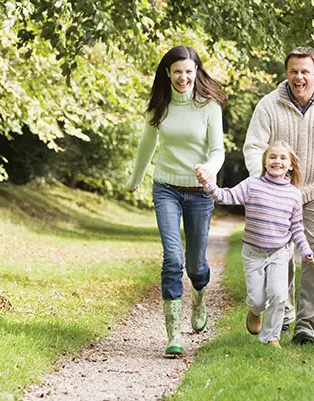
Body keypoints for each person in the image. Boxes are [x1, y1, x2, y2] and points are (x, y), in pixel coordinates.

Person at [243, 47, 314, 345]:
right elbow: (253, 147)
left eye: (305, 71)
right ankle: (283, 315)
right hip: (279, 195)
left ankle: (306, 324)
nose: (299, 77)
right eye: (294, 71)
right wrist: (265, 183)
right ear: (287, 74)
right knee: (282, 255)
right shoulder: (269, 105)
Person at [125, 45, 227, 357]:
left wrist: (208, 170)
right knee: (172, 258)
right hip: (166, 187)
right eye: (177, 71)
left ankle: (199, 296)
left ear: (197, 73)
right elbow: (147, 144)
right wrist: (135, 178)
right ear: (168, 73)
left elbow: (217, 150)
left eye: (188, 71)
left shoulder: (209, 106)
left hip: (199, 193)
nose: (183, 77)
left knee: (196, 266)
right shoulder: (159, 105)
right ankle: (173, 334)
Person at [195, 141, 314, 348]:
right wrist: (208, 183)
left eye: (282, 158)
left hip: (279, 252)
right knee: (258, 299)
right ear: (265, 161)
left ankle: (271, 337)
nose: (277, 161)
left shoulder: (294, 195)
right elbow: (225, 196)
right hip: (253, 252)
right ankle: (255, 310)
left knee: (279, 295)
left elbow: (296, 227)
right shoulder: (252, 185)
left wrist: (305, 250)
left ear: (291, 165)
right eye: (273, 157)